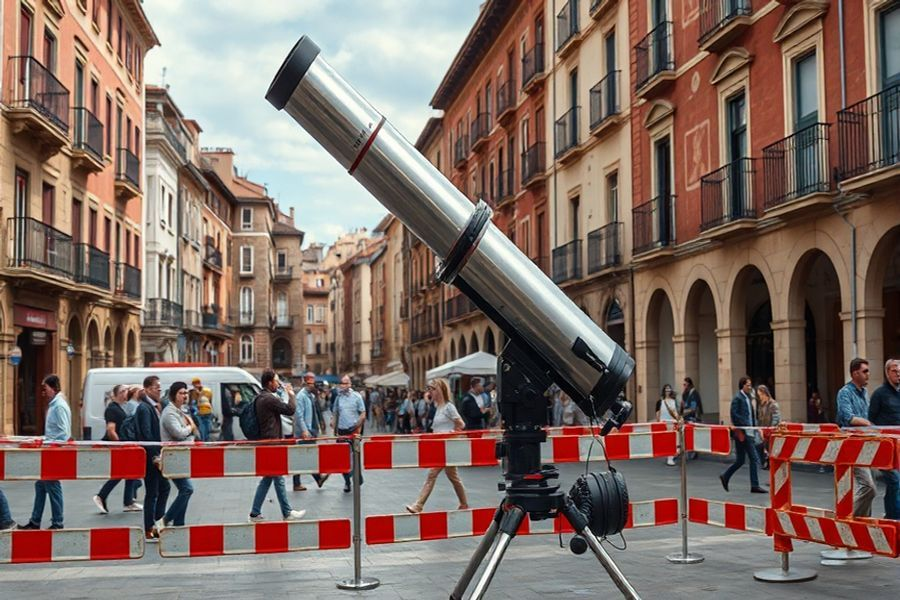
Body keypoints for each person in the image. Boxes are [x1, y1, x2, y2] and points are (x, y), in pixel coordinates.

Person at [249, 369, 306, 522]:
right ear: (269, 383)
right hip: (271, 444)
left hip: (268, 443)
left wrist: (281, 393)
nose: (278, 384)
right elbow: (290, 410)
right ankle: (287, 512)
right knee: (278, 479)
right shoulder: (268, 399)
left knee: (268, 479)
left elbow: (278, 406)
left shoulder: (262, 397)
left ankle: (254, 513)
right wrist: (291, 394)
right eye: (276, 381)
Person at [405, 378, 468, 514]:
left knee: (432, 474)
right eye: (429, 389)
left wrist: (451, 433)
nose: (429, 392)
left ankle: (418, 505)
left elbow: (461, 424)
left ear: (439, 390)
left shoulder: (449, 407)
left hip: (447, 447)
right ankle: (464, 504)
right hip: (440, 447)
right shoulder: (438, 407)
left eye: (432, 389)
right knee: (453, 477)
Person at [18, 375, 70, 530]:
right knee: (41, 485)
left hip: (53, 452)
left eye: (45, 388)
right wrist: (44, 439)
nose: (43, 391)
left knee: (53, 486)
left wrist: (50, 443)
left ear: (53, 388)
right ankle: (35, 521)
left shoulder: (58, 406)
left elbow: (64, 433)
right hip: (50, 450)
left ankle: (57, 522)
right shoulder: (55, 405)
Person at [93, 384, 143, 514]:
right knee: (121, 472)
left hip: (124, 444)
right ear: (117, 394)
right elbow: (111, 430)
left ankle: (128, 501)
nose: (126, 392)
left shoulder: (120, 408)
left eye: (126, 390)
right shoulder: (112, 409)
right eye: (123, 391)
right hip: (120, 446)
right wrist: (120, 444)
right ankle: (102, 496)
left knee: (129, 472)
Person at [836, 358, 876, 518]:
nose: (868, 374)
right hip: (851, 444)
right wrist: (869, 424)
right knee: (868, 487)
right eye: (865, 371)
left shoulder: (864, 393)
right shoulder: (844, 392)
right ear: (855, 373)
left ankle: (862, 523)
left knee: (868, 490)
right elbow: (848, 417)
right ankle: (848, 520)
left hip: (865, 444)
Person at [132, 376, 170, 542]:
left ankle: (158, 524)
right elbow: (146, 434)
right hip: (150, 457)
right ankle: (150, 527)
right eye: (156, 388)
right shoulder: (145, 408)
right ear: (147, 389)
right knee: (153, 492)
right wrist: (156, 455)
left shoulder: (154, 406)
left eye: (160, 388)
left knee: (163, 488)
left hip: (155, 454)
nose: (159, 391)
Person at [719, 376, 767, 494]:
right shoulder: (738, 398)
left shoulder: (748, 397)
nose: (750, 387)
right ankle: (755, 485)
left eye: (750, 385)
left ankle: (725, 476)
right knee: (754, 458)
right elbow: (734, 414)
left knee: (740, 460)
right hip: (743, 432)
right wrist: (745, 425)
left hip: (749, 431)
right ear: (742, 385)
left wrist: (755, 427)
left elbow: (751, 415)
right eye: (748, 385)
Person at [159, 382, 197, 528]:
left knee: (184, 489)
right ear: (173, 395)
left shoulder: (181, 411)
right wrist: (190, 428)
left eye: (186, 393)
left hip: (181, 456)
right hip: (173, 456)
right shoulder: (170, 413)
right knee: (187, 489)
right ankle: (165, 520)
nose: (185, 396)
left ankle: (179, 524)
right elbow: (178, 433)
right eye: (181, 393)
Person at [869, 358, 900, 519]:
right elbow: (871, 419)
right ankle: (893, 517)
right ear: (887, 373)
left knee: (896, 484)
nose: (898, 374)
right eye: (894, 371)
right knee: (894, 480)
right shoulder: (879, 394)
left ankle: (891, 514)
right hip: (885, 446)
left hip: (899, 446)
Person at [293, 372, 330, 491]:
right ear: (305, 383)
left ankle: (315, 479)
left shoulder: (311, 396)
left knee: (307, 456)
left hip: (312, 430)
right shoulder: (301, 396)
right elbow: (299, 415)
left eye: (313, 383)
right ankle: (314, 479)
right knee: (304, 456)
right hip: (305, 431)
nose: (312, 385)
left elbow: (319, 409)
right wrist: (304, 430)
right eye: (309, 383)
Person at [332, 374, 367, 493]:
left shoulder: (357, 397)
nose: (343, 385)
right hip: (342, 431)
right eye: (342, 383)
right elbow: (335, 413)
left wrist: (357, 426)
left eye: (345, 383)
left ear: (350, 384)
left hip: (353, 431)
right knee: (342, 459)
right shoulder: (338, 398)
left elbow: (363, 413)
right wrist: (333, 425)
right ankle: (347, 482)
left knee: (355, 457)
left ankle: (357, 477)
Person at [755, 385, 781, 470]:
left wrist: (771, 429)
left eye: (760, 395)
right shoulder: (761, 405)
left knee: (770, 448)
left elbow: (776, 418)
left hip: (770, 430)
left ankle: (770, 464)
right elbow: (759, 418)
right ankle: (764, 461)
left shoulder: (773, 404)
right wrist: (759, 429)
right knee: (759, 445)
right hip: (763, 429)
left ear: (764, 393)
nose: (760, 397)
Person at [656, 384, 680, 466]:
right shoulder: (660, 402)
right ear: (664, 391)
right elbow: (658, 413)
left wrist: (678, 419)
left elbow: (676, 412)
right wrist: (658, 423)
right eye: (666, 389)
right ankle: (670, 457)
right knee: (668, 441)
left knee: (673, 440)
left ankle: (670, 458)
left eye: (669, 389)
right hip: (664, 423)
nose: (668, 391)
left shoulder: (674, 401)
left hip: (673, 422)